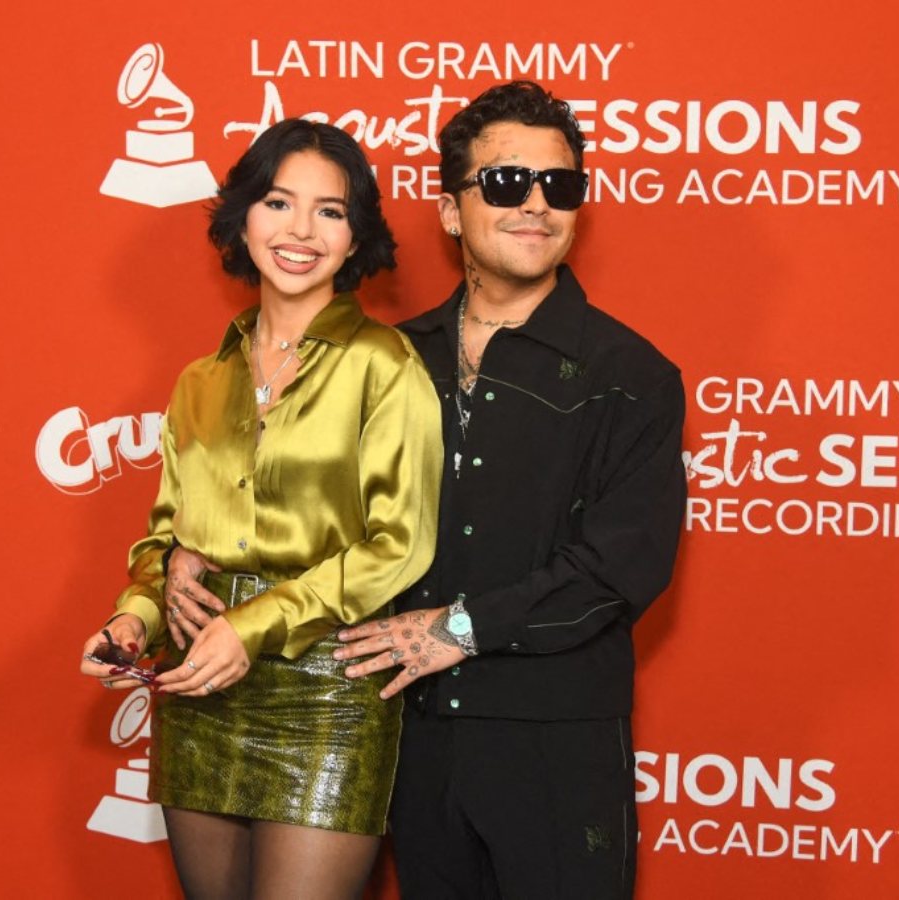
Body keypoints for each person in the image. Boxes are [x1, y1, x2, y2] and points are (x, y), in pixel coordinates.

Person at [335, 81, 687, 899]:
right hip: (411, 736)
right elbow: (312, 511)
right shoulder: (392, 359)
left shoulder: (630, 376)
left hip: (554, 743)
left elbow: (620, 567)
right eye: (504, 183)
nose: (536, 205)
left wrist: (461, 627)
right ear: (452, 210)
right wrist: (185, 554)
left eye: (560, 187)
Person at [80, 119, 442, 900]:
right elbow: (165, 541)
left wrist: (254, 623)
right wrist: (133, 619)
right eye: (279, 202)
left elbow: (399, 544)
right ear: (243, 217)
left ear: (356, 240)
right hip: (197, 681)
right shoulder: (199, 382)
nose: (300, 230)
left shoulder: (385, 366)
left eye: (330, 211)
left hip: (327, 685)